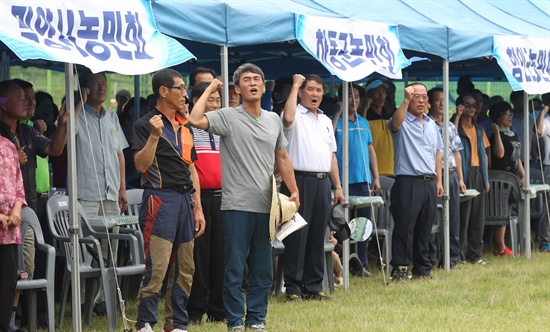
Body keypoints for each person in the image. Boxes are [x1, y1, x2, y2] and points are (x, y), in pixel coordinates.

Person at [189, 64, 299, 331]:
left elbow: (282, 156)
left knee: (263, 269)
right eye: (246, 80)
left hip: (267, 206)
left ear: (263, 87)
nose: (252, 83)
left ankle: (257, 319)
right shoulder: (227, 116)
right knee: (235, 268)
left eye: (257, 79)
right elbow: (194, 119)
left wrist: (294, 190)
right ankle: (235, 321)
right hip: (236, 206)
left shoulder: (273, 119)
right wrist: (213, 88)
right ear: (237, 89)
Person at [133, 68, 205, 332]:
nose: (186, 94)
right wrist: (153, 136)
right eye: (181, 88)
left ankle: (176, 325)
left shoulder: (185, 126)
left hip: (185, 200)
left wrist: (198, 208)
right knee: (158, 266)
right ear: (164, 92)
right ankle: (145, 324)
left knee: (185, 267)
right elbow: (141, 165)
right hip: (160, 200)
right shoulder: (145, 123)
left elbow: (191, 169)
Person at [0, 79, 69, 330]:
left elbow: (55, 149)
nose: (29, 103)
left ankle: (17, 318)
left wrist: (61, 124)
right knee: (13, 269)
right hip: (5, 212)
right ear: (3, 103)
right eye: (22, 98)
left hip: (24, 209)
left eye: (30, 98)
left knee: (24, 268)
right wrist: (11, 158)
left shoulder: (27, 131)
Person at [281, 74, 344, 301]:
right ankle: (294, 287)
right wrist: (295, 83)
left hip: (322, 181)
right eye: (310, 89)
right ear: (301, 92)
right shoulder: (294, 113)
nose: (315, 94)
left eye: (319, 90)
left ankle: (313, 286)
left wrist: (337, 186)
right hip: (298, 180)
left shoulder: (326, 121)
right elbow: (287, 119)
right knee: (298, 235)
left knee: (318, 234)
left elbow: (332, 156)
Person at [389, 83, 443, 281]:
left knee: (425, 227)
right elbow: (394, 123)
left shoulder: (431, 124)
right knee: (404, 227)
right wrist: (404, 100)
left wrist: (439, 180)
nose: (421, 101)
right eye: (416, 97)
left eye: (424, 97)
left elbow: (438, 153)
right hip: (407, 180)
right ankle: (400, 268)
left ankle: (422, 268)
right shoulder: (402, 121)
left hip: (429, 180)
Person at [186, 82, 225, 325]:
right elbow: (193, 117)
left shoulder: (223, 127)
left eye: (218, 99)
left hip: (224, 198)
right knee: (198, 258)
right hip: (200, 199)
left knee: (221, 257)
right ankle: (195, 311)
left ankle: (218, 311)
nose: (215, 104)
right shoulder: (189, 127)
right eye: (210, 99)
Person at [332, 82, 381, 272]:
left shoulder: (363, 122)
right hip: (342, 182)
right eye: (349, 96)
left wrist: (375, 176)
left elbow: (370, 149)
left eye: (357, 97)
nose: (354, 100)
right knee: (340, 225)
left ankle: (360, 262)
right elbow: (328, 137)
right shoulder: (333, 121)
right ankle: (341, 262)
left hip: (363, 180)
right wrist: (337, 112)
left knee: (362, 224)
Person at [427, 87, 467, 268]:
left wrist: (460, 179)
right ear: (429, 103)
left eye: (444, 99)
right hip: (433, 177)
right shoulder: (425, 124)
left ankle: (451, 259)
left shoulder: (450, 126)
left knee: (453, 218)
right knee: (432, 218)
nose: (442, 103)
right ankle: (431, 257)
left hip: (450, 175)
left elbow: (457, 153)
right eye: (437, 100)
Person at [456, 93, 491, 264]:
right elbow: (450, 138)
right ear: (460, 107)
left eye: (474, 106)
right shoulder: (456, 127)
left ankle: (475, 255)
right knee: (463, 216)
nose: (471, 109)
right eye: (467, 105)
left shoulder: (478, 129)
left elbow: (484, 155)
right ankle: (460, 255)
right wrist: (456, 116)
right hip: (463, 172)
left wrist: (485, 179)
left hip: (477, 172)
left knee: (478, 216)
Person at [488, 101, 525, 256]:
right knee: (501, 212)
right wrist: (497, 133)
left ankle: (508, 244)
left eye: (511, 113)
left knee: (511, 211)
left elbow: (516, 158)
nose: (510, 117)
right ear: (498, 117)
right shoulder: (495, 135)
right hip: (501, 180)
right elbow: (500, 154)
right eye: (506, 114)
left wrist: (523, 175)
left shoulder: (513, 133)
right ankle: (500, 248)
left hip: (513, 178)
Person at [0, 120, 27, 332]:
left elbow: (19, 184)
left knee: (8, 283)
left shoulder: (8, 145)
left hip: (8, 230)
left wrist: (17, 208)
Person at [365, 79, 394, 176]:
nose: (381, 96)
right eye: (377, 92)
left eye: (383, 92)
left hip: (391, 170)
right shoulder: (365, 117)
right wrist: (365, 108)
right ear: (369, 95)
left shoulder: (391, 116)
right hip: (372, 172)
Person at [534, 102, 550, 252]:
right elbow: (538, 132)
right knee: (548, 206)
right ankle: (545, 242)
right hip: (548, 166)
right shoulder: (545, 122)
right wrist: (544, 111)